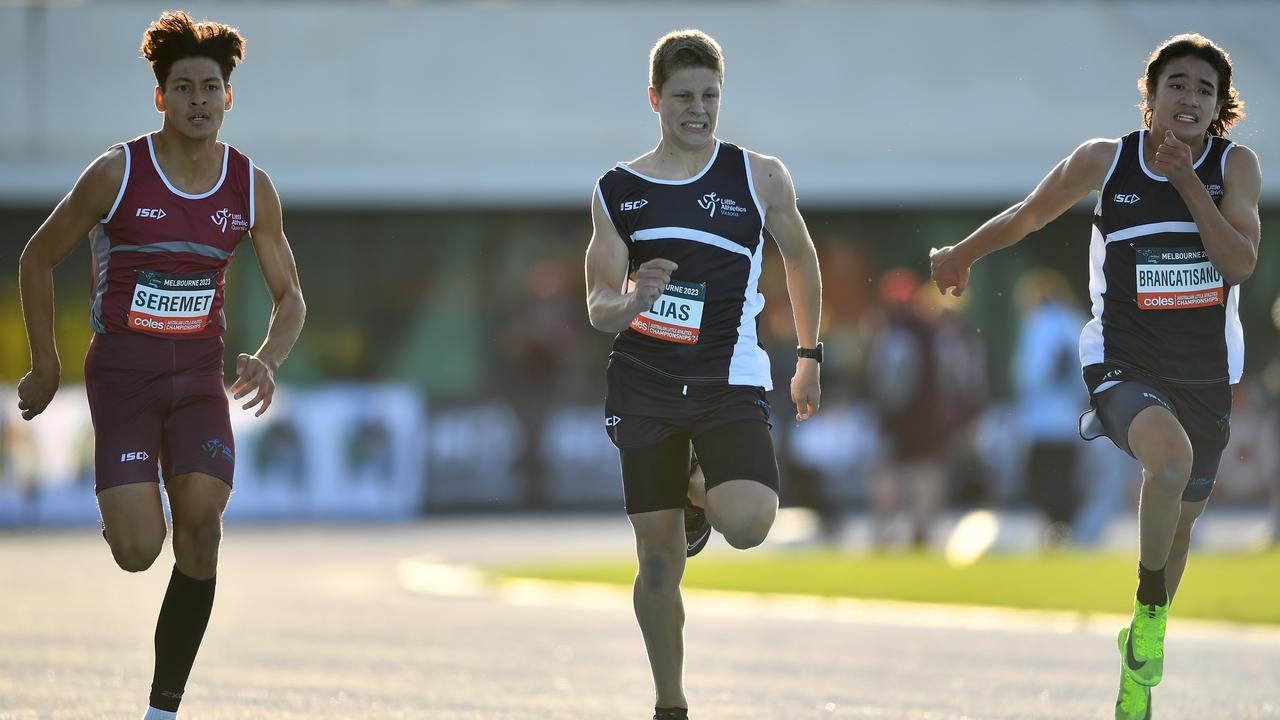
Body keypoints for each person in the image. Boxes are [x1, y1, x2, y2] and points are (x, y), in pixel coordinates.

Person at [930, 33, 1259, 720]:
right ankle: (1148, 621)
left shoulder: (1238, 168)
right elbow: (1028, 214)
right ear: (1151, 96)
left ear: (1219, 106)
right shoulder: (1104, 162)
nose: (1189, 98)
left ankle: (1141, 650)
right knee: (1168, 464)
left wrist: (1190, 184)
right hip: (1121, 357)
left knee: (1179, 530)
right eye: (1177, 84)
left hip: (1204, 372)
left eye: (1204, 89)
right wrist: (963, 252)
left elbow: (1238, 265)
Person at [16, 11, 305, 720]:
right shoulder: (118, 173)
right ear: (161, 97)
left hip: (199, 382)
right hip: (122, 381)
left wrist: (268, 358)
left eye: (211, 87)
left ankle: (162, 709)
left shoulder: (249, 186)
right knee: (140, 551)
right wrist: (46, 364)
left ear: (229, 97)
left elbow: (290, 295)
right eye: (184, 88)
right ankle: (129, 502)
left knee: (202, 525)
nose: (199, 100)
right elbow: (35, 259)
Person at [584, 29, 821, 720]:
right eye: (683, 96)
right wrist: (632, 301)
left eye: (710, 96)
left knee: (749, 524)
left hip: (728, 380)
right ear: (655, 99)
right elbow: (598, 305)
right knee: (658, 559)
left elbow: (800, 258)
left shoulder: (759, 176)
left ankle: (698, 483)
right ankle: (670, 704)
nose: (698, 109)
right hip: (646, 385)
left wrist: (809, 356)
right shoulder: (617, 191)